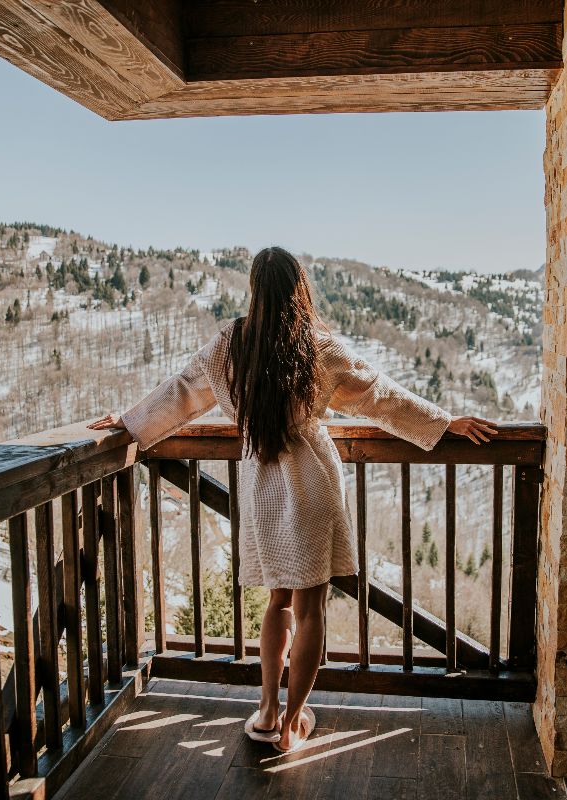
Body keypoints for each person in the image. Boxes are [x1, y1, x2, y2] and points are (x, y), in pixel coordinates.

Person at [88, 246, 498, 753]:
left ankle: (265, 711)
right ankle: (293, 723)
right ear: (299, 287)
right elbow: (380, 394)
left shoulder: (230, 344)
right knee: (311, 608)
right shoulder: (317, 347)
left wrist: (130, 423)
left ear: (256, 290)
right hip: (313, 482)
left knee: (277, 599)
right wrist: (442, 421)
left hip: (261, 483)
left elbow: (183, 390)